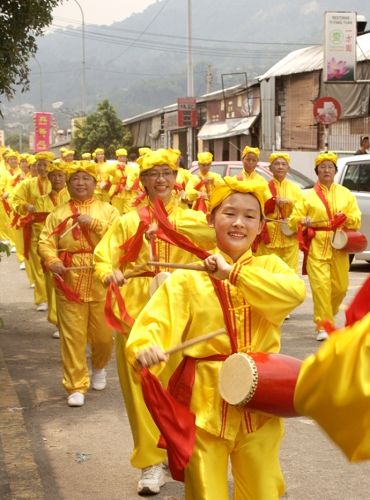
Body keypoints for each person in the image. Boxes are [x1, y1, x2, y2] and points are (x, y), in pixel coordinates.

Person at [125, 176, 306, 500]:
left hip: (262, 398)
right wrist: (145, 347)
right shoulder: (187, 278)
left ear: (262, 226)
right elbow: (155, 322)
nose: (239, 223)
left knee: (263, 491)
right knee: (205, 492)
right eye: (229, 213)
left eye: (250, 216)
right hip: (203, 403)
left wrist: (233, 273)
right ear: (211, 219)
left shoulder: (272, 268)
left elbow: (292, 294)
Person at [93, 148, 216, 496]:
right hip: (136, 314)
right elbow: (104, 256)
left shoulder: (192, 220)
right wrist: (109, 272)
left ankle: (187, 452)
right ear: (143, 181)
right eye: (153, 174)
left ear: (176, 177)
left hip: (181, 316)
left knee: (184, 387)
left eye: (166, 172)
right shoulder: (129, 220)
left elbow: (223, 242)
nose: (161, 179)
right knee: (140, 388)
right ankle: (150, 462)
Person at [38, 161, 119, 407]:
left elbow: (120, 238)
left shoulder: (108, 210)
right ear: (68, 184)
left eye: (86, 179)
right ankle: (75, 385)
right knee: (72, 336)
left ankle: (100, 367)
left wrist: (93, 223)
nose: (81, 183)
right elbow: (45, 241)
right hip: (69, 279)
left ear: (95, 183)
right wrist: (52, 260)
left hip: (100, 278)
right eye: (75, 179)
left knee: (104, 336)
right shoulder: (58, 213)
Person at [288, 152, 361, 341]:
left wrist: (346, 218)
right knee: (321, 288)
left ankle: (328, 315)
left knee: (341, 288)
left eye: (330, 167)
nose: (326, 170)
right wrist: (301, 220)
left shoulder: (345, 194)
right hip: (317, 247)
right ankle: (323, 325)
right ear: (317, 171)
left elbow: (357, 219)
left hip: (339, 245)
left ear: (335, 171)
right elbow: (293, 220)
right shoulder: (308, 196)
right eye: (323, 167)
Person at [33, 160, 70, 338]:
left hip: (71, 248)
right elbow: (40, 226)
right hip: (51, 248)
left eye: (60, 175)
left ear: (66, 178)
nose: (56, 179)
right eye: (53, 175)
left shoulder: (72, 198)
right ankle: (58, 321)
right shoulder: (41, 201)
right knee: (53, 284)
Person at [258, 153, 303, 272]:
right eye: (276, 164)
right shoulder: (263, 187)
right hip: (269, 237)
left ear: (288, 168)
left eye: (284, 164)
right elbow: (258, 209)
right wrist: (272, 203)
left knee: (289, 272)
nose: (280, 167)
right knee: (268, 272)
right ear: (270, 168)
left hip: (289, 236)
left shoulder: (295, 189)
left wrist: (290, 202)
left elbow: (301, 209)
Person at [107, 148, 139, 215]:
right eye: (120, 157)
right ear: (117, 158)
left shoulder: (130, 168)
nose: (122, 158)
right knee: (117, 212)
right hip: (117, 191)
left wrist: (130, 185)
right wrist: (117, 165)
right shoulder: (114, 167)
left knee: (130, 211)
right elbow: (107, 171)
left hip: (128, 191)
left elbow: (135, 177)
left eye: (124, 157)